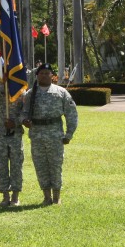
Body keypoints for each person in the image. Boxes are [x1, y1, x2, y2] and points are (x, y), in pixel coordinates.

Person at [21, 63, 78, 205]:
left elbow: (71, 114)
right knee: (40, 166)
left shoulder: (61, 92)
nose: (45, 75)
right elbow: (23, 112)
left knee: (55, 165)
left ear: (52, 76)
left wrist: (69, 134)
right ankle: (46, 196)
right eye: (42, 73)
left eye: (47, 73)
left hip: (55, 134)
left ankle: (57, 196)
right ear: (37, 76)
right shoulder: (30, 94)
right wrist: (24, 120)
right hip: (37, 134)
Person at [0, 79, 25, 206]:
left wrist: (16, 122)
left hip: (15, 132)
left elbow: (25, 111)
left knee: (16, 164)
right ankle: (5, 196)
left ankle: (15, 196)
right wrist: (1, 84)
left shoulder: (20, 88)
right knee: (1, 164)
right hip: (0, 131)